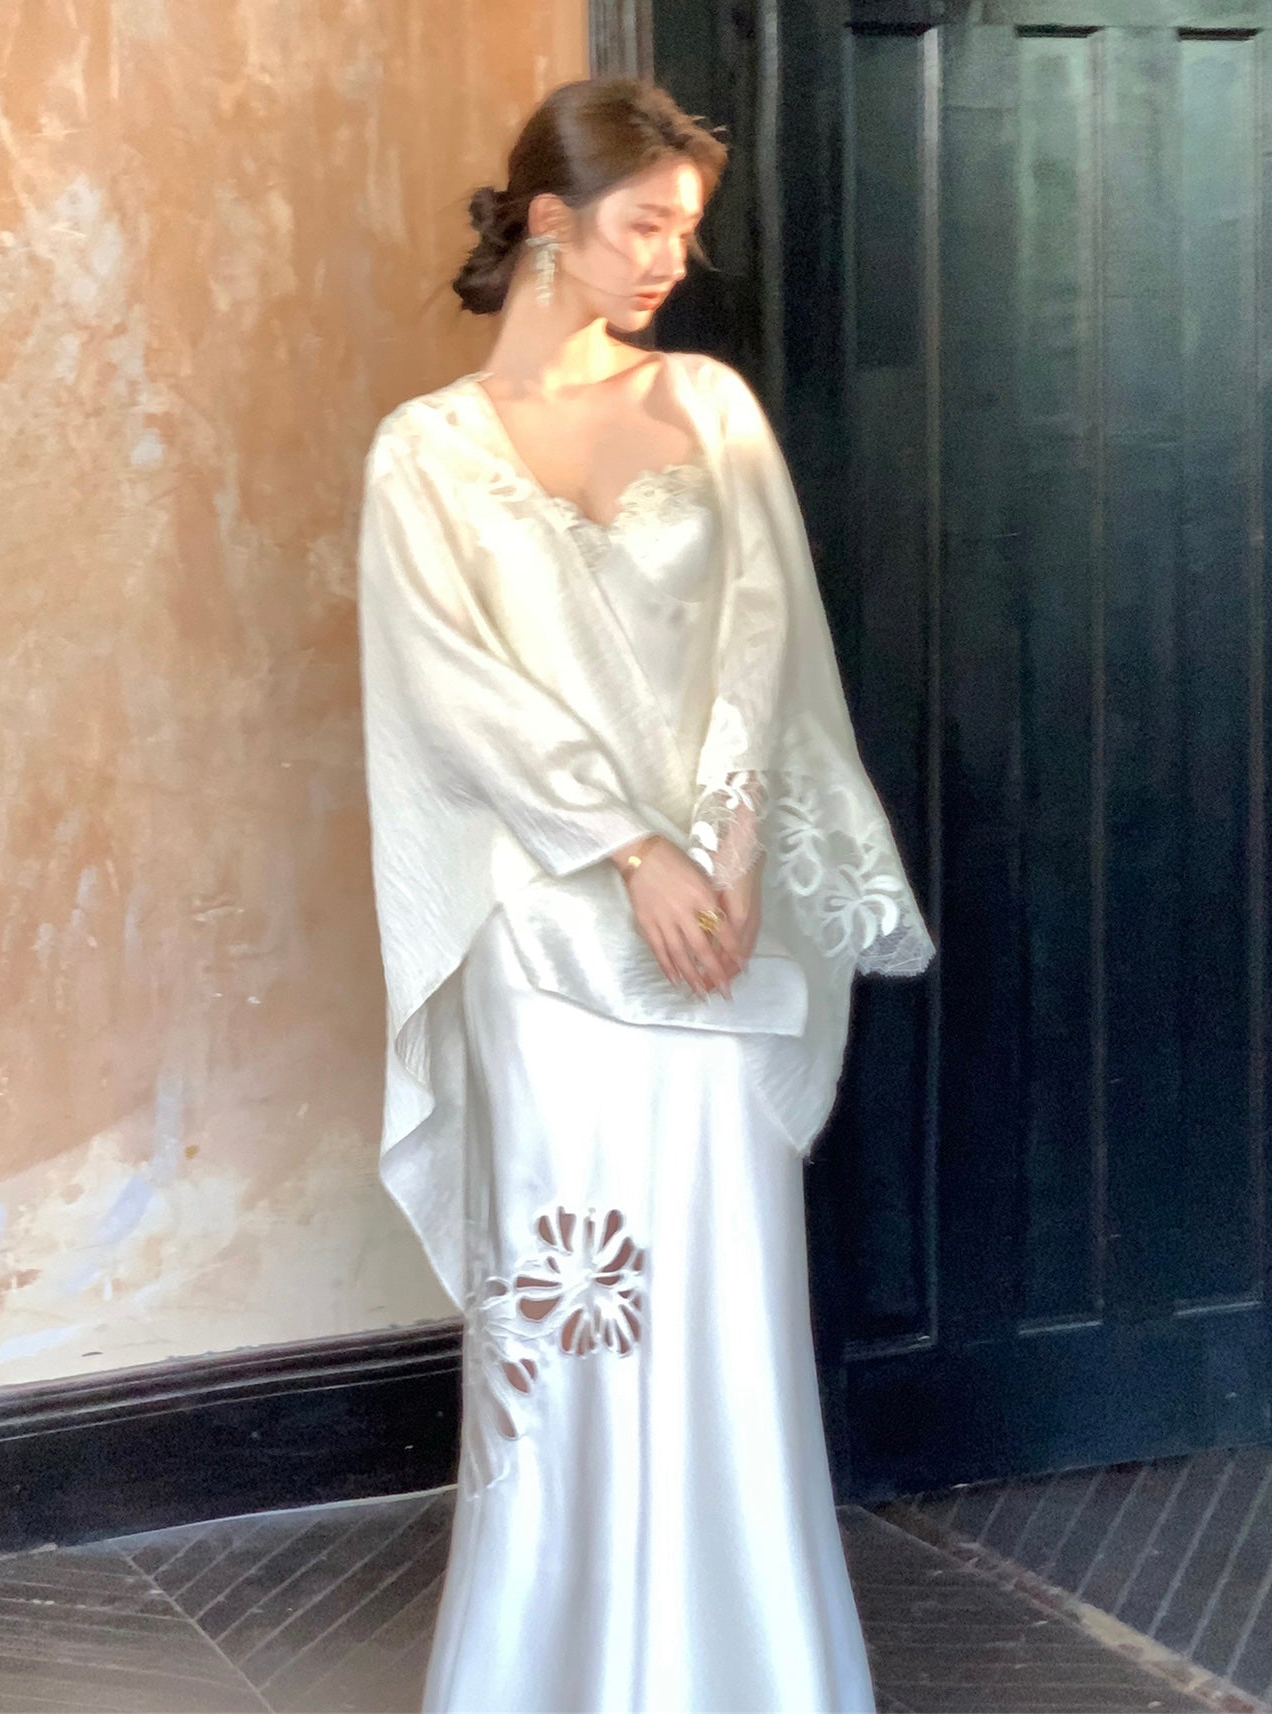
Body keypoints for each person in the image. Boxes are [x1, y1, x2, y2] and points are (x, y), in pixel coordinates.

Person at [357, 75, 935, 1714]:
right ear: (549, 221)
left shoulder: (705, 403)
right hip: (547, 940)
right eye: (646, 224)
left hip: (718, 932)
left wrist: (730, 846)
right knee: (573, 1299)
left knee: (724, 1296)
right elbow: (453, 696)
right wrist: (633, 847)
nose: (673, 257)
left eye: (686, 228)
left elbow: (761, 633)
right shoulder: (423, 455)